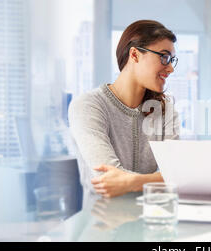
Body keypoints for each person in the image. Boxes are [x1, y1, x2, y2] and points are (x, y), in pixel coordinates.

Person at [68, 20, 179, 199]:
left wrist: (130, 183)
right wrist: (160, 180)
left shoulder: (165, 110)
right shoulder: (88, 106)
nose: (171, 68)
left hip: (153, 217)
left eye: (172, 60)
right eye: (164, 57)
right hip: (102, 220)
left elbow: (179, 175)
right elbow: (106, 179)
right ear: (134, 55)